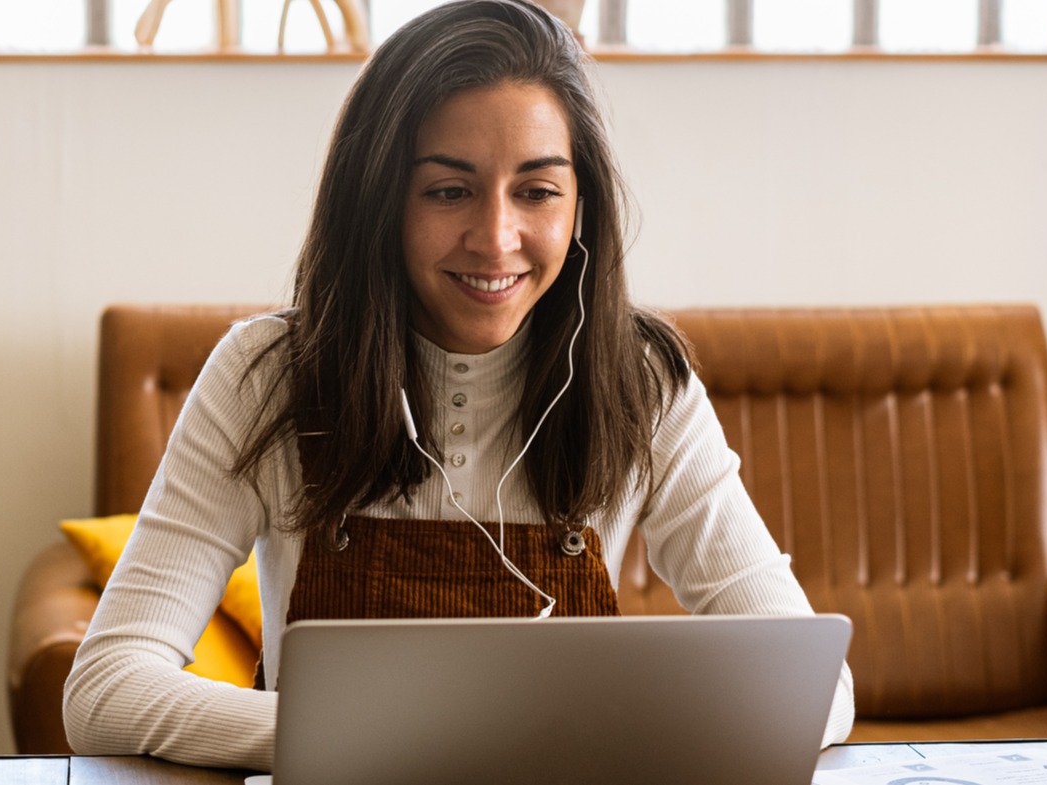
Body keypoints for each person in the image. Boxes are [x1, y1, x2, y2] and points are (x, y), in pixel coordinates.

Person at [64, 0, 855, 771]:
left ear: (580, 206)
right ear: (378, 201)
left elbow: (819, 692)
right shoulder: (264, 374)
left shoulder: (639, 380)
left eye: (536, 191)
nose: (496, 238)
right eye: (448, 190)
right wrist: (385, 743)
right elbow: (104, 689)